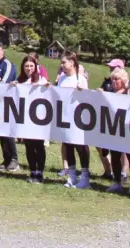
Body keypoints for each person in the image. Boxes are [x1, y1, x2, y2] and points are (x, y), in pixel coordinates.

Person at [48, 51, 91, 189]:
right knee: (68, 145)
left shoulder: (80, 79)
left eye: (64, 62)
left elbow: (86, 99)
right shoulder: (62, 78)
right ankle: (72, 175)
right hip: (65, 116)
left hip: (78, 117)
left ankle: (85, 176)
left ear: (72, 63)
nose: (62, 65)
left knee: (80, 146)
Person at [105, 67, 130, 194]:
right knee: (115, 155)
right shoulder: (109, 92)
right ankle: (116, 181)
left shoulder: (129, 93)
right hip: (114, 129)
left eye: (117, 79)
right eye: (112, 79)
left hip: (128, 129)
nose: (114, 81)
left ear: (123, 80)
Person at [12, 55, 47, 183]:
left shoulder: (41, 80)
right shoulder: (20, 81)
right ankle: (32, 171)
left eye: (31, 66)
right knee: (29, 146)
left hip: (39, 120)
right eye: (26, 66)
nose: (29, 68)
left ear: (35, 67)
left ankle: (40, 173)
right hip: (25, 119)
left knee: (39, 146)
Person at [0, 43, 20, 172]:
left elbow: (4, 83)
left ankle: (14, 159)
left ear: (2, 51)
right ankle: (6, 159)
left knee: (7, 133)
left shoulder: (8, 65)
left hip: (7, 103)